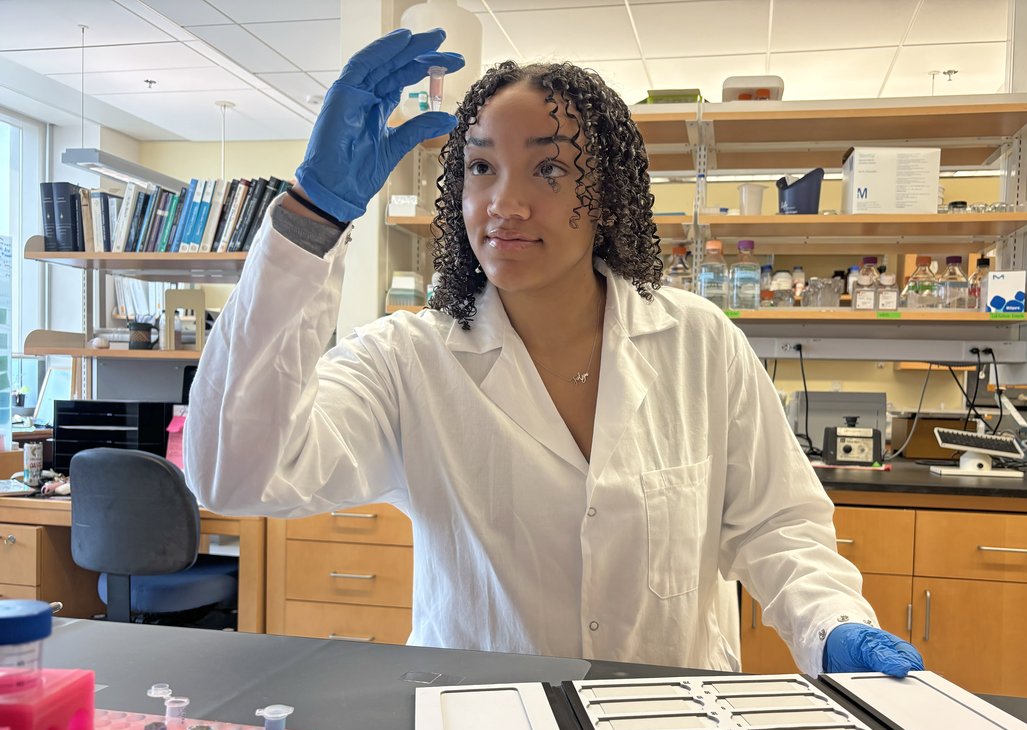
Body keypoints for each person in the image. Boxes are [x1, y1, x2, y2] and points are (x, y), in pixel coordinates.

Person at [185, 27, 923, 677]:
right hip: (479, 719)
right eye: (480, 167)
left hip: (666, 722)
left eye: (548, 169)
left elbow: (775, 523)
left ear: (604, 196)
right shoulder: (409, 359)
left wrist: (831, 622)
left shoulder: (700, 343)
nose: (505, 203)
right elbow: (236, 471)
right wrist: (314, 216)